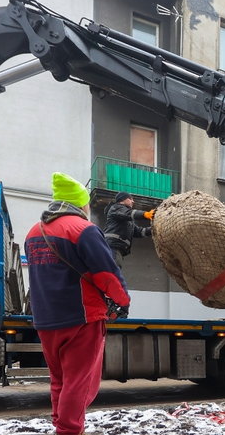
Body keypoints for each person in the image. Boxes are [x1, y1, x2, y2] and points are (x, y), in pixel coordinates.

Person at [24, 172, 131, 435]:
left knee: (59, 380)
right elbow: (106, 274)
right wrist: (123, 301)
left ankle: (61, 425)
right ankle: (69, 431)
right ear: (80, 204)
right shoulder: (82, 229)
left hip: (46, 319)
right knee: (79, 382)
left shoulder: (33, 232)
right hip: (81, 317)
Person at [103, 191, 154, 271]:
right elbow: (129, 213)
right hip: (112, 247)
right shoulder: (116, 208)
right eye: (130, 199)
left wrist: (153, 229)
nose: (133, 201)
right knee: (112, 273)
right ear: (123, 200)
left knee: (114, 272)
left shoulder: (127, 221)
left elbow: (139, 232)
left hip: (117, 249)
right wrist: (145, 214)